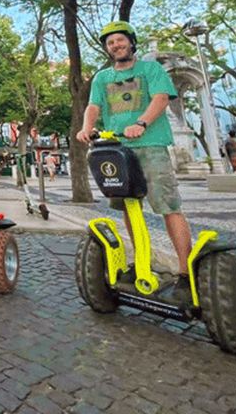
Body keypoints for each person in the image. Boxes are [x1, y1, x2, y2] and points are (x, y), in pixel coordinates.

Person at [76, 21, 193, 302]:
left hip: (150, 145)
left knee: (168, 206)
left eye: (119, 40)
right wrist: (86, 128)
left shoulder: (150, 69)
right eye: (110, 43)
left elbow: (161, 98)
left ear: (130, 42)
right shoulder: (103, 77)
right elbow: (94, 107)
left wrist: (141, 123)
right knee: (130, 207)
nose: (115, 46)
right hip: (117, 148)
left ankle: (185, 272)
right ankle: (142, 263)